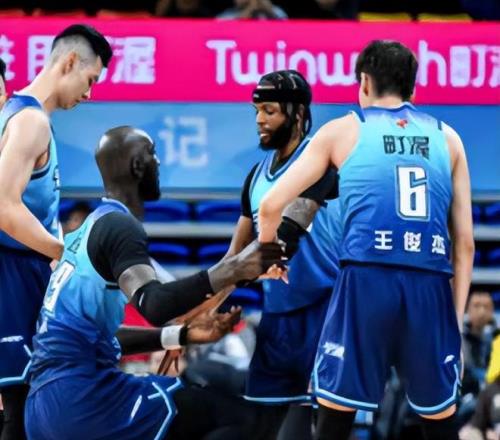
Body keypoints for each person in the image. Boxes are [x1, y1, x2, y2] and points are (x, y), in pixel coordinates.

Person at [258, 40, 474, 440]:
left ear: (364, 82)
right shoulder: (449, 139)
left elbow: (271, 206)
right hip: (429, 284)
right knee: (439, 423)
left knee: (335, 418)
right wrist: (454, 322)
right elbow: (464, 245)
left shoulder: (343, 130)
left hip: (366, 280)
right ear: (413, 88)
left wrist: (271, 258)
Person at [24, 126, 286, 440]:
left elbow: (99, 336)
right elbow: (155, 304)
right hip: (85, 400)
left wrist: (179, 335)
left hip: (43, 407)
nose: (158, 163)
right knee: (248, 419)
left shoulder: (85, 232)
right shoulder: (119, 225)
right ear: (138, 165)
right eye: (152, 154)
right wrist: (234, 268)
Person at [0, 24, 112, 440]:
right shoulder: (31, 121)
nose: (90, 93)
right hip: (16, 275)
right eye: (90, 79)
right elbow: (4, 206)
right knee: (22, 411)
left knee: (20, 409)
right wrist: (65, 254)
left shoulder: (14, 112)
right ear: (69, 62)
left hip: (18, 271)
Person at [221, 69, 340, 438]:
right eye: (257, 111)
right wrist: (187, 325)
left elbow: (297, 221)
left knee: (319, 429)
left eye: (270, 111)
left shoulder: (322, 160)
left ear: (298, 113)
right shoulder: (255, 177)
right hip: (277, 317)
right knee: (262, 428)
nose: (260, 119)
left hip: (325, 311)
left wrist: (276, 250)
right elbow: (232, 260)